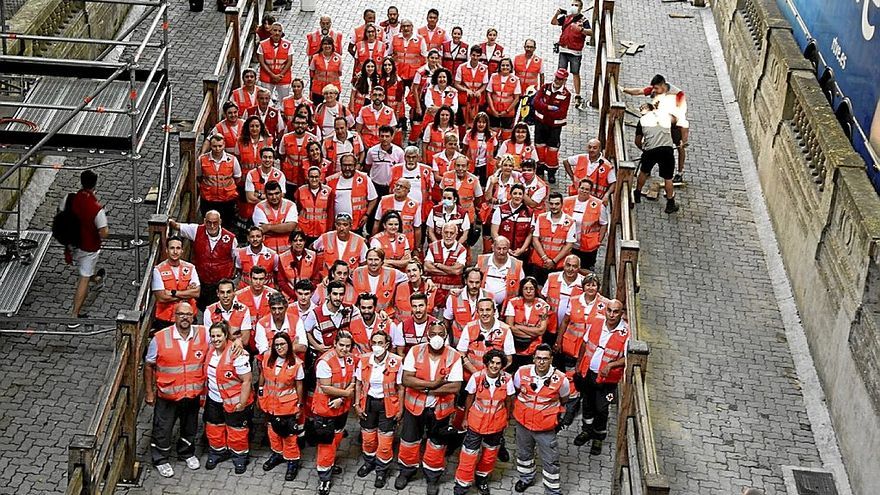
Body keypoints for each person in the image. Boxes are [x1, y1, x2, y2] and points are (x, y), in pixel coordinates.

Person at [396, 322, 463, 495]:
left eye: (441, 334)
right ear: (427, 336)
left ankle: (432, 478)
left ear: (446, 336)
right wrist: (433, 385)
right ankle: (406, 471)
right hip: (414, 408)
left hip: (440, 410)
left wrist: (425, 388)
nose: (437, 338)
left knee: (437, 444)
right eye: (433, 334)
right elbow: (407, 379)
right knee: (409, 441)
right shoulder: (415, 351)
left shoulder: (454, 356)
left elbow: (455, 387)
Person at [144, 303, 208, 477]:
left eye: (188, 314)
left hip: (192, 393)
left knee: (190, 426)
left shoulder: (203, 334)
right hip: (168, 395)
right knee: (162, 428)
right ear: (174, 316)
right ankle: (160, 459)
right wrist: (149, 392)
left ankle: (186, 453)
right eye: (181, 314)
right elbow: (149, 366)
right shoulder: (160, 338)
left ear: (194, 315)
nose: (185, 317)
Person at [453, 349, 515, 495]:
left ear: (502, 365)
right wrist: (466, 418)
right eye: (492, 362)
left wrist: (506, 418)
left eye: (498, 363)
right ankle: (462, 485)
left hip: (496, 424)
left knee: (490, 455)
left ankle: (482, 479)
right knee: (468, 455)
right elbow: (469, 398)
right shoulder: (477, 377)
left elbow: (508, 400)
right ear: (487, 363)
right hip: (476, 423)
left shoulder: (507, 379)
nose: (494, 366)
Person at [573, 300, 629, 455]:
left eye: (615, 312)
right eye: (609, 310)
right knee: (588, 403)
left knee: (602, 408)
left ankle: (598, 436)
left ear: (621, 313)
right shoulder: (597, 322)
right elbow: (585, 343)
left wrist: (611, 365)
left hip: (608, 380)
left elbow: (627, 357)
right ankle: (587, 431)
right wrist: (579, 363)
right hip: (588, 372)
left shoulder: (626, 333)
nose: (611, 315)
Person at [512, 344, 569, 494]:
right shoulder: (521, 372)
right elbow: (517, 390)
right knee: (524, 454)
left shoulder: (561, 379)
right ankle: (526, 478)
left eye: (545, 359)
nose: (541, 362)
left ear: (551, 359)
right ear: (533, 359)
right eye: (538, 358)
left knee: (550, 459)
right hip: (523, 424)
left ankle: (552, 490)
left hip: (545, 428)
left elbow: (564, 399)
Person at [354, 330, 404, 488]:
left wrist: (400, 409)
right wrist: (357, 404)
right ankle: (369, 463)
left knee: (385, 441)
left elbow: (401, 387)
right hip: (368, 403)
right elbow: (358, 384)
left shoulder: (396, 361)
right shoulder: (363, 360)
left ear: (387, 345)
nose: (377, 346)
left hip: (387, 405)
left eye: (380, 343)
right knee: (368, 439)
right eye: (374, 343)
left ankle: (382, 470)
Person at [203, 321, 253, 473]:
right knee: (214, 427)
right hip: (214, 398)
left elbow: (247, 380)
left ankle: (239, 457)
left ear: (226, 336)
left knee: (237, 430)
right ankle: (218, 452)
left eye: (219, 335)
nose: (216, 339)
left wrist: (242, 403)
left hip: (235, 402)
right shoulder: (211, 350)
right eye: (213, 336)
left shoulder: (237, 353)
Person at [312, 331, 357, 495]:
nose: (345, 349)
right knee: (326, 444)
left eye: (348, 346)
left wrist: (343, 399)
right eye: (341, 345)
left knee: (337, 438)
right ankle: (324, 479)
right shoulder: (325, 361)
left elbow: (354, 380)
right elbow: (326, 387)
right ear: (335, 344)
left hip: (341, 408)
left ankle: (329, 464)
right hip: (326, 410)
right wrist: (346, 395)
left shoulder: (351, 359)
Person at [623, 74, 689, 184]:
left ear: (663, 85)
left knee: (680, 147)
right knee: (650, 143)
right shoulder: (655, 90)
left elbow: (681, 116)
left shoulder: (678, 95)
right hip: (659, 124)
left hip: (674, 125)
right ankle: (647, 166)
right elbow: (639, 91)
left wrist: (684, 138)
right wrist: (623, 89)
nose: (654, 90)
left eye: (656, 88)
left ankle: (680, 172)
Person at [259, 331, 305, 481]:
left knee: (289, 436)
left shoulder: (296, 364)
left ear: (289, 345)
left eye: (282, 344)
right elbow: (263, 376)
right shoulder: (267, 358)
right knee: (273, 433)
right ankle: (278, 454)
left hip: (287, 407)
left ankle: (292, 462)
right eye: (276, 345)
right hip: (269, 404)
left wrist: (299, 404)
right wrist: (260, 391)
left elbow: (299, 386)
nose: (279, 347)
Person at [65, 170, 108, 325]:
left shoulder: (71, 198)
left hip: (73, 243)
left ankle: (96, 279)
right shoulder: (96, 208)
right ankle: (74, 316)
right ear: (95, 184)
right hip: (88, 247)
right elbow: (103, 233)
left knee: (87, 270)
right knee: (83, 278)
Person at [170, 212, 236, 310]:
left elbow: (236, 260)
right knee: (202, 307)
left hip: (220, 284)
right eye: (209, 223)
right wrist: (168, 221)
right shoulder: (196, 230)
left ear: (220, 222)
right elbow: (177, 226)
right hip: (202, 281)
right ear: (204, 221)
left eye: (215, 223)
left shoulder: (231, 239)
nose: (212, 226)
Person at [555, 272, 609, 372]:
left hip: (589, 349)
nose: (590, 288)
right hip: (571, 346)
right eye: (588, 285)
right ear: (583, 287)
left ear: (598, 287)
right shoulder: (574, 300)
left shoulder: (606, 304)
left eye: (593, 285)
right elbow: (565, 322)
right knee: (568, 371)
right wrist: (558, 341)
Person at [634, 101, 679, 213]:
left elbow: (637, 141)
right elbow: (675, 119)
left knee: (644, 172)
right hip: (667, 149)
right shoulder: (665, 115)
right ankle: (670, 203)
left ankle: (637, 194)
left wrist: (644, 150)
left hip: (651, 150)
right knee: (668, 178)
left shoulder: (642, 121)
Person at [457, 298, 515, 380]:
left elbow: (509, 360)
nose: (484, 313)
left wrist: (491, 374)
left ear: (494, 311)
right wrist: (476, 374)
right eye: (481, 310)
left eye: (488, 310)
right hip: (470, 378)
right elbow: (461, 353)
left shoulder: (505, 330)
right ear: (477, 312)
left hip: (494, 380)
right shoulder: (469, 327)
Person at [532, 69, 572, 184]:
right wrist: (549, 108)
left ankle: (551, 172)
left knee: (552, 150)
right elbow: (536, 102)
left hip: (554, 127)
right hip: (540, 123)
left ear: (564, 80)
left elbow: (561, 112)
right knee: (539, 146)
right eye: (556, 78)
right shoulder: (545, 87)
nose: (557, 80)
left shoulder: (566, 94)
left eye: (560, 79)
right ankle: (539, 168)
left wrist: (543, 108)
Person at [151, 237, 201, 330]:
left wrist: (173, 292)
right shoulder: (158, 270)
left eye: (178, 248)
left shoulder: (190, 268)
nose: (175, 251)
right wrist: (187, 293)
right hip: (166, 320)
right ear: (167, 250)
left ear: (182, 250)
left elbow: (196, 293)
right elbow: (161, 297)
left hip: (188, 317)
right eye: (172, 248)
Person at [551, 0, 592, 109]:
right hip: (563, 49)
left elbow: (591, 32)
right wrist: (556, 14)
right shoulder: (566, 17)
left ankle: (577, 95)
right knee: (561, 72)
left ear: (580, 8)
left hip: (575, 52)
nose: (574, 6)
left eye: (576, 5)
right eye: (573, 5)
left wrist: (581, 29)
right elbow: (553, 22)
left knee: (575, 73)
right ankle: (559, 91)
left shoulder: (584, 20)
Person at [528, 193, 577, 284]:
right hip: (539, 263)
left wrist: (554, 261)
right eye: (551, 204)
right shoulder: (541, 217)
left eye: (557, 204)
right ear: (548, 204)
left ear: (562, 204)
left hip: (558, 265)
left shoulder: (570, 222)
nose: (554, 206)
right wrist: (545, 258)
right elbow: (535, 240)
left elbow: (569, 245)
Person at [504, 277, 551, 371]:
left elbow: (541, 330)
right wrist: (532, 333)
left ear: (535, 290)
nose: (528, 291)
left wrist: (519, 326)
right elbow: (509, 327)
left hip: (534, 346)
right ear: (521, 289)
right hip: (514, 344)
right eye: (525, 288)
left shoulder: (543, 305)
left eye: (531, 288)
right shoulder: (512, 302)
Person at [562, 179, 608, 271]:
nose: (584, 191)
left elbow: (604, 224)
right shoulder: (567, 201)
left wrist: (599, 241)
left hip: (588, 246)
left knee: (585, 269)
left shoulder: (598, 204)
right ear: (578, 188)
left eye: (587, 189)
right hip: (570, 243)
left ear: (590, 191)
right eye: (582, 188)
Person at [326, 154, 378, 233]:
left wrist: (366, 215)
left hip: (357, 223)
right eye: (344, 165)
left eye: (350, 165)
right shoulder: (331, 180)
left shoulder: (364, 178)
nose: (347, 168)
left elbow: (373, 198)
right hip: (337, 225)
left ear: (355, 165)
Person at [303, 280, 354, 357]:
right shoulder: (315, 313)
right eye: (335, 294)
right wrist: (317, 346)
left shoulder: (350, 309)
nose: (338, 298)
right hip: (323, 356)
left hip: (344, 355)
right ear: (328, 295)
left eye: (341, 294)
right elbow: (306, 331)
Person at [351, 248, 408, 316]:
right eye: (370, 259)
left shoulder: (392, 273)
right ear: (366, 260)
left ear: (382, 262)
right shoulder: (357, 272)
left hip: (386, 316)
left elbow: (410, 278)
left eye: (376, 259)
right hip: (363, 316)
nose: (373, 263)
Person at [198, 134, 241, 223]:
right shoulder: (202, 160)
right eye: (214, 146)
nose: (217, 149)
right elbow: (199, 177)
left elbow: (237, 177)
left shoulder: (233, 160)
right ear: (210, 145)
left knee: (227, 223)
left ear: (224, 145)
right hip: (209, 200)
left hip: (227, 200)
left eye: (220, 146)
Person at [541, 254, 583, 345]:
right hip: (550, 326)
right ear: (564, 265)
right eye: (568, 265)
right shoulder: (552, 277)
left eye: (574, 266)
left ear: (579, 268)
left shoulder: (583, 283)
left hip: (570, 330)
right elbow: (543, 298)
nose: (570, 269)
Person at [444, 267, 493, 343]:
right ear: (465, 281)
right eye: (471, 282)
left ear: (481, 282)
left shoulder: (489, 297)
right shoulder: (454, 297)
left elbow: (494, 321)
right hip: (459, 341)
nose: (474, 286)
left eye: (477, 282)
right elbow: (446, 321)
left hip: (481, 343)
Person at [254, 291, 309, 356]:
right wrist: (292, 347)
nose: (277, 312)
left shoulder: (296, 320)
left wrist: (274, 349)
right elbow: (264, 351)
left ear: (286, 307)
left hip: (293, 362)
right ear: (269, 308)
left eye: (280, 308)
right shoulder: (261, 323)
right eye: (273, 309)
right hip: (271, 362)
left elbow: (303, 347)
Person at [374, 179, 422, 251]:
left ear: (408, 191)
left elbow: (417, 229)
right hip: (385, 243)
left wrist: (416, 248)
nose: (398, 188)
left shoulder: (415, 205)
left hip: (407, 245)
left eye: (402, 186)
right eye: (396, 185)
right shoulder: (384, 200)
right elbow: (377, 223)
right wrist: (374, 239)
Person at [424, 223, 467, 303]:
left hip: (453, 293)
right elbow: (427, 267)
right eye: (446, 232)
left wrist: (440, 266)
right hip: (434, 291)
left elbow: (457, 271)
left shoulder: (461, 249)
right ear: (441, 233)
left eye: (451, 233)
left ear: (456, 234)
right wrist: (450, 271)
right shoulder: (433, 246)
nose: (448, 235)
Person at [252, 180, 299, 254]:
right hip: (267, 251)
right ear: (266, 195)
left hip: (288, 250)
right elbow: (261, 230)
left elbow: (291, 226)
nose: (274, 197)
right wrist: (283, 228)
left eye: (277, 193)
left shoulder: (290, 205)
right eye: (270, 194)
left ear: (281, 193)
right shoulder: (259, 207)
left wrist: (269, 227)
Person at [476, 236, 524, 306]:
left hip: (508, 306)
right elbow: (473, 279)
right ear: (493, 248)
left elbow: (522, 287)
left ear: (508, 249)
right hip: (484, 306)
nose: (501, 252)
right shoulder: (483, 261)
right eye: (499, 248)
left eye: (504, 249)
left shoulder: (516, 264)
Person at [390, 145, 435, 219]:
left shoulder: (426, 170)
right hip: (400, 209)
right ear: (404, 157)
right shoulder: (395, 169)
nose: (411, 160)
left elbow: (430, 188)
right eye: (408, 157)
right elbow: (391, 187)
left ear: (418, 157)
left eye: (413, 157)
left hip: (420, 209)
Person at [243, 148, 285, 226]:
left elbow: (281, 197)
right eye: (265, 157)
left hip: (274, 215)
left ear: (273, 159)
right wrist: (270, 199)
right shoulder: (251, 173)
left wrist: (258, 194)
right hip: (254, 213)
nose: (267, 160)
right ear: (261, 158)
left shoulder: (280, 175)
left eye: (270, 157)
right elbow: (249, 198)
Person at [490, 183, 533, 258]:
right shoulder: (500, 210)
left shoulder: (529, 212)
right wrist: (505, 249)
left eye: (520, 194)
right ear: (510, 194)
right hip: (502, 252)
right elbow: (494, 232)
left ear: (523, 196)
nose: (517, 196)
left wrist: (522, 250)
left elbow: (530, 234)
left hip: (522, 252)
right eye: (515, 193)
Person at [278, 114, 319, 189]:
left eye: (303, 123)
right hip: (289, 179)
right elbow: (282, 155)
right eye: (297, 123)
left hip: (306, 179)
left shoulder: (313, 139)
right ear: (293, 124)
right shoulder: (285, 138)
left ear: (307, 125)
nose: (300, 125)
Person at [390, 292, 438, 357]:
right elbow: (400, 353)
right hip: (409, 364)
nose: (418, 310)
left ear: (427, 306)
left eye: (421, 306)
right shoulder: (402, 326)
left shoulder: (437, 325)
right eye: (414, 306)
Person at [364, 125, 405, 199]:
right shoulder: (371, 151)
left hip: (392, 187)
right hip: (375, 185)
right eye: (382, 136)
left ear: (392, 137)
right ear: (378, 136)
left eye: (387, 136)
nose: (384, 139)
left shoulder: (399, 152)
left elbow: (402, 170)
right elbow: (368, 166)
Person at [294, 166, 333, 243]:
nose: (314, 179)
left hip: (321, 230)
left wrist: (329, 230)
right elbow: (297, 210)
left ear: (320, 177)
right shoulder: (300, 190)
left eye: (316, 177)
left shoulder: (328, 191)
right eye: (311, 177)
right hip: (304, 230)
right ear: (308, 177)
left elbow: (330, 212)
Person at [486, 57, 521, 141]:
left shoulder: (516, 79)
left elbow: (516, 98)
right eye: (503, 65)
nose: (505, 67)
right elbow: (488, 94)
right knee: (492, 135)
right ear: (499, 67)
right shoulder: (493, 77)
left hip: (508, 113)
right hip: (493, 111)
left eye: (507, 65)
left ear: (511, 67)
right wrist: (493, 110)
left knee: (507, 135)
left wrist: (507, 111)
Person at [277, 231, 320, 298]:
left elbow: (316, 278)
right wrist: (294, 295)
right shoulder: (282, 257)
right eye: (295, 241)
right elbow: (281, 281)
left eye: (301, 240)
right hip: (289, 296)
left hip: (309, 295)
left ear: (305, 242)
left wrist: (307, 293)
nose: (298, 243)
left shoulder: (313, 255)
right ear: (290, 242)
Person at [455, 46, 490, 129]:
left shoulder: (484, 68)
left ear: (480, 56)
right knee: (461, 123)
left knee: (477, 122)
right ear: (470, 55)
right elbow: (456, 84)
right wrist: (466, 90)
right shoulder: (461, 67)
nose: (475, 57)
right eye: (473, 55)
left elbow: (485, 84)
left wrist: (479, 91)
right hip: (464, 100)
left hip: (478, 100)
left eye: (478, 56)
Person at [386, 19, 427, 88]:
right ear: (401, 28)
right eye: (403, 26)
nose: (406, 28)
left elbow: (425, 57)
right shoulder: (395, 38)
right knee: (398, 95)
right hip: (398, 74)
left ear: (412, 27)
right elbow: (389, 54)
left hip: (414, 75)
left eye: (408, 26)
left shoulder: (420, 40)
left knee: (412, 97)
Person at [258, 22, 294, 101]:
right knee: (265, 99)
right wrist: (272, 75)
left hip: (283, 76)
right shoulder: (262, 44)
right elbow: (261, 62)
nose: (277, 33)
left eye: (279, 31)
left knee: (284, 100)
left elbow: (290, 62)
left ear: (282, 33)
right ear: (270, 31)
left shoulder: (288, 44)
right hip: (267, 75)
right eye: (275, 30)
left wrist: (280, 75)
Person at [235, 266, 277, 334]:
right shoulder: (238, 296)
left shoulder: (274, 295)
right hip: (246, 335)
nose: (258, 282)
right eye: (255, 279)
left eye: (261, 279)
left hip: (268, 334)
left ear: (265, 279)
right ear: (250, 278)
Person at [235, 226, 278, 290]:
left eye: (258, 236)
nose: (255, 239)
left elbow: (276, 274)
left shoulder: (273, 255)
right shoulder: (240, 253)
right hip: (245, 290)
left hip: (267, 291)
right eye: (252, 236)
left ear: (263, 238)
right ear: (248, 238)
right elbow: (239, 270)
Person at [462, 111, 497, 184]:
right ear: (475, 123)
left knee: (483, 185)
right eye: (479, 122)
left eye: (484, 122)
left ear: (487, 124)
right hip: (471, 165)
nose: (481, 124)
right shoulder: (469, 134)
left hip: (485, 165)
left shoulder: (491, 135)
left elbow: (495, 148)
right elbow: (464, 149)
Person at [309, 36, 343, 106]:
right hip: (318, 88)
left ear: (332, 46)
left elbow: (339, 72)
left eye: (329, 44)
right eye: (325, 44)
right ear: (321, 46)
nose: (327, 46)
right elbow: (312, 71)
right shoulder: (315, 57)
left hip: (333, 89)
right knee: (317, 107)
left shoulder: (338, 58)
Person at [378, 57, 407, 139]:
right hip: (384, 107)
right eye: (385, 65)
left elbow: (400, 98)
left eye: (389, 65)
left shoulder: (398, 80)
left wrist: (397, 112)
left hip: (395, 109)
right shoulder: (381, 79)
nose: (387, 67)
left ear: (393, 66)